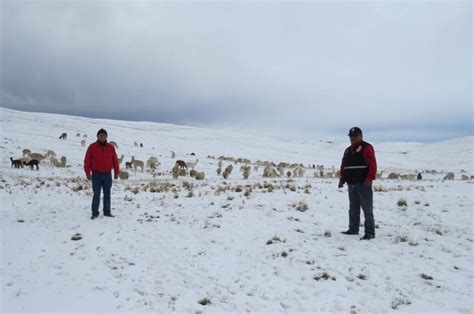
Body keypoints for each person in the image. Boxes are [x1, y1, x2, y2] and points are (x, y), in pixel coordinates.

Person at [338, 127, 377, 240]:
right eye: (351, 136)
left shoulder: (366, 148)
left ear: (361, 136)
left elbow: (372, 165)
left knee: (367, 209)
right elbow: (344, 166)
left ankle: (370, 232)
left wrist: (369, 179)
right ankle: (353, 229)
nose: (353, 138)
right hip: (351, 184)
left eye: (355, 136)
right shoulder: (347, 150)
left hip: (363, 184)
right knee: (353, 208)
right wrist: (342, 179)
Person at [84, 128, 120, 219]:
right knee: (96, 194)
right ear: (97, 136)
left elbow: (115, 160)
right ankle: (95, 212)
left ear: (106, 137)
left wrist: (116, 172)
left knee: (107, 194)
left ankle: (107, 212)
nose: (102, 137)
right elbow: (87, 161)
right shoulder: (92, 147)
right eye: (100, 135)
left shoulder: (111, 147)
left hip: (107, 175)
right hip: (96, 175)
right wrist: (88, 173)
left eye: (104, 135)